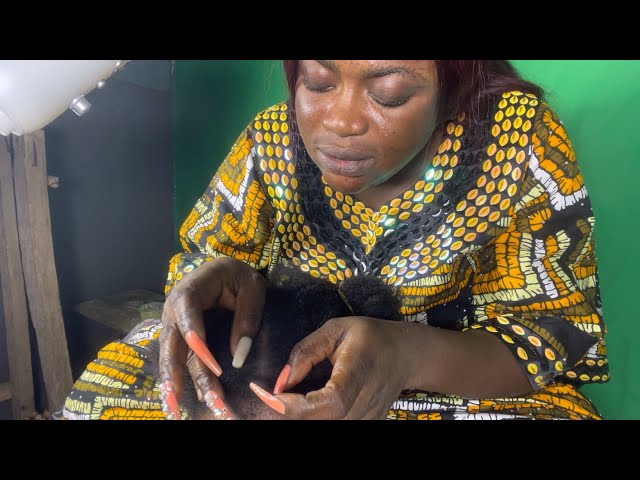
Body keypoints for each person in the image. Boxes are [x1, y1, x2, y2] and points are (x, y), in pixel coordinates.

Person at [57, 60, 609, 420]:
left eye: (389, 94)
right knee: (112, 390)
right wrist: (212, 279)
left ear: (454, 79)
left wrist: (404, 354)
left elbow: (550, 339)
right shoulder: (272, 138)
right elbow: (203, 256)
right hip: (266, 378)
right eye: (316, 83)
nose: (340, 121)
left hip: (447, 388)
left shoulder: (514, 143)